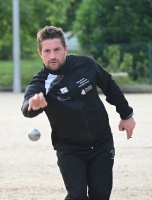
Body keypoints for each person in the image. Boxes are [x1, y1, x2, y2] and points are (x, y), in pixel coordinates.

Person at [21, 26, 136, 200]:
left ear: (65, 49)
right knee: (77, 196)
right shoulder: (41, 83)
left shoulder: (86, 64)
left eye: (57, 50)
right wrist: (33, 105)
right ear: (40, 53)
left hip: (101, 142)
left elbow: (109, 86)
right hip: (69, 148)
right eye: (47, 51)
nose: (53, 56)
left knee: (101, 194)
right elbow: (26, 108)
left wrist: (126, 115)